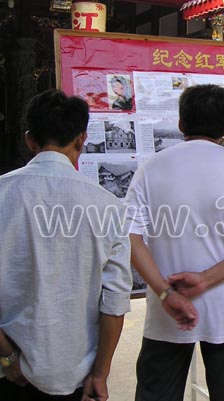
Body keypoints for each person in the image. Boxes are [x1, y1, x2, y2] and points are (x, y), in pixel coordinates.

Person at [125, 84, 224, 401]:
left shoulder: (150, 169)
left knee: (156, 393)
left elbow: (130, 237)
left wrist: (166, 293)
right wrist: (205, 279)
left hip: (167, 308)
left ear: (181, 123)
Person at [0, 89, 132, 400]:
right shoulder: (108, 206)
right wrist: (100, 373)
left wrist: (9, 358)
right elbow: (114, 302)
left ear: (30, 140)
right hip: (74, 373)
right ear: (81, 139)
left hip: (8, 371)